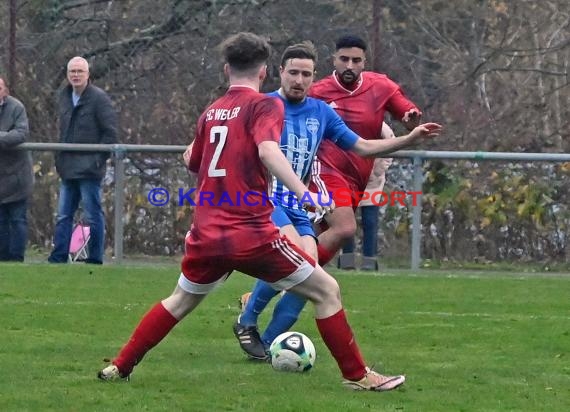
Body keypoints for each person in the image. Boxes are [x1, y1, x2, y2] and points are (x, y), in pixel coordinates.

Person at [98, 32, 431, 391]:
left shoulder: (212, 110)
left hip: (207, 230)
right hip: (252, 230)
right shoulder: (265, 105)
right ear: (266, 72)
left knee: (179, 302)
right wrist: (305, 192)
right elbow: (269, 152)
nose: (300, 80)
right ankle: (356, 375)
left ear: (227, 68)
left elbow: (191, 160)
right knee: (327, 290)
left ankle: (120, 366)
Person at [233, 42, 441, 360]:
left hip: (298, 203)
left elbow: (362, 147)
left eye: (305, 74)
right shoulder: (262, 105)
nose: (299, 80)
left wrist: (410, 138)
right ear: (280, 73)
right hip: (264, 198)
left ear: (313, 76)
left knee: (309, 274)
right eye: (293, 73)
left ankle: (267, 342)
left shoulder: (321, 111)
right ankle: (248, 319)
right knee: (302, 256)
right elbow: (223, 137)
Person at [309, 35, 422, 268]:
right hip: (325, 172)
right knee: (345, 228)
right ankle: (286, 280)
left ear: (364, 62)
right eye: (344, 59)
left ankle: (266, 291)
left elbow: (406, 112)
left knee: (320, 244)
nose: (349, 65)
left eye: (356, 60)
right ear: (334, 60)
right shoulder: (317, 93)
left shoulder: (380, 86)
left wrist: (411, 118)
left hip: (358, 178)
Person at [47, 57, 118, 265]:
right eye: (72, 72)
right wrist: (59, 158)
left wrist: (97, 160)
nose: (75, 75)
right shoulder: (63, 96)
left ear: (88, 74)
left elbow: (110, 134)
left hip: (89, 169)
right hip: (67, 168)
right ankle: (58, 256)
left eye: (79, 71)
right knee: (63, 215)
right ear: (67, 75)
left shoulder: (99, 99)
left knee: (93, 215)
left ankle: (95, 258)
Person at [338, 123, 395, 271]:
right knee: (346, 220)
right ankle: (347, 260)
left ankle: (369, 261)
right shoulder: (344, 120)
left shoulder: (381, 127)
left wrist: (377, 171)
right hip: (347, 179)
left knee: (370, 221)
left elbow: (390, 146)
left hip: (372, 182)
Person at [0, 77, 33, 262]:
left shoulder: (16, 108)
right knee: (1, 222)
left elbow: (21, 134)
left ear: (5, 90)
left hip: (17, 176)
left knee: (18, 220)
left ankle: (17, 258)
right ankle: (3, 260)